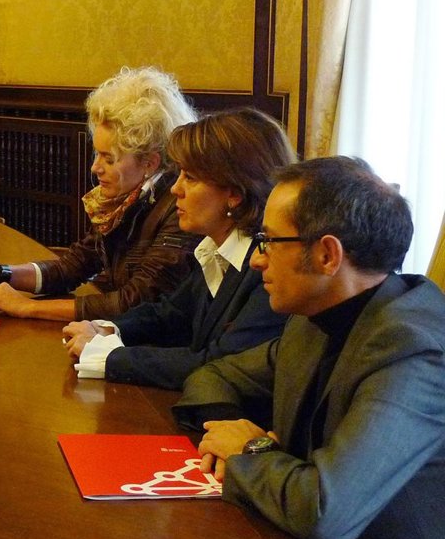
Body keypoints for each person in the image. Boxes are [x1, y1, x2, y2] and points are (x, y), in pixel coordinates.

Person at [176, 157, 445, 539]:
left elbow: (325, 511)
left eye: (268, 241)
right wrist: (230, 435)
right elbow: (213, 375)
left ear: (326, 254)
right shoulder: (311, 320)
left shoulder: (413, 349)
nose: (257, 260)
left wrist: (250, 450)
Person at [0, 66, 200, 322]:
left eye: (109, 159)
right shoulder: (125, 199)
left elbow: (134, 303)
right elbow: (72, 267)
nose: (95, 167)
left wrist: (27, 307)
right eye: (97, 154)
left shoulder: (179, 209)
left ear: (150, 163)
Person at [61, 108, 295, 389]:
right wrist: (107, 329)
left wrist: (109, 357)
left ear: (234, 193)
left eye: (190, 178)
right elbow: (170, 314)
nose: (175, 189)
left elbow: (219, 364)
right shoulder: (215, 248)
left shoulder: (266, 266)